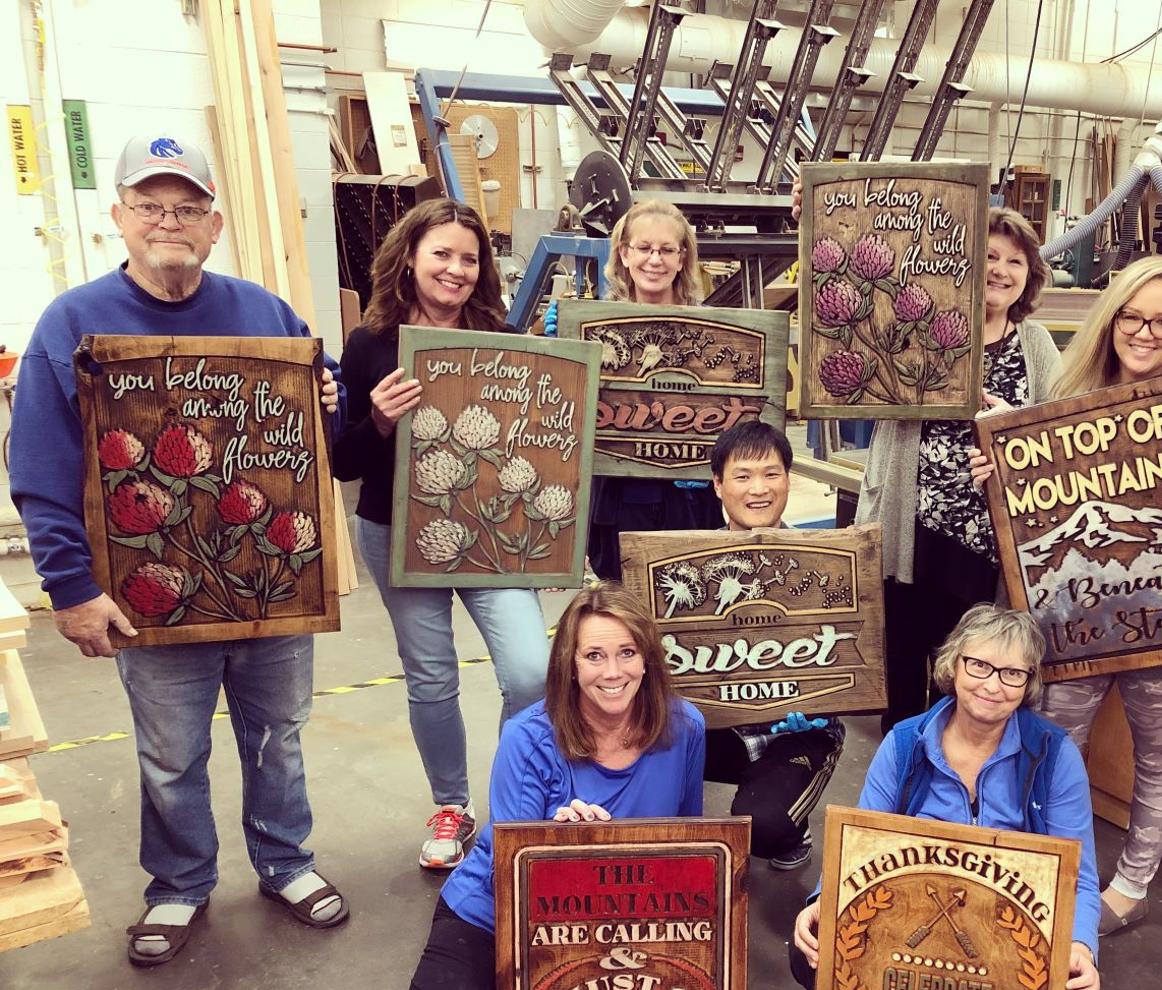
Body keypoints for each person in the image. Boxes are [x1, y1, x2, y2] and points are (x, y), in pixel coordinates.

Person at [130, 584, 706, 990]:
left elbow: (689, 852)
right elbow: (511, 875)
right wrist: (557, 849)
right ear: (569, 664)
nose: (612, 671)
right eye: (593, 655)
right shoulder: (531, 735)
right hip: (492, 920)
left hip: (610, 934)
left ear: (649, 659)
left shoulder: (683, 728)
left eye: (627, 653)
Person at [11, 134, 347, 966]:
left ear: (215, 224)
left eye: (188, 207)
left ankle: (286, 862)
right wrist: (70, 587)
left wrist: (329, 393)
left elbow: (313, 418)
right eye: (152, 205)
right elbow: (40, 468)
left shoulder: (264, 312)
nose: (171, 221)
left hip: (270, 583)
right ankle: (179, 884)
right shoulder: (73, 323)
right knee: (170, 752)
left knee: (278, 735)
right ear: (119, 218)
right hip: (146, 592)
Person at [974, 256, 1162, 936]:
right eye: (1132, 315)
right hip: (1068, 626)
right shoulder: (1067, 396)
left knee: (1159, 756)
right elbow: (1031, 521)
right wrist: (1000, 472)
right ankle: (1045, 872)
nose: (1145, 331)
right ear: (1110, 320)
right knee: (1047, 748)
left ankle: (1129, 886)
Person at [789, 604, 1101, 990]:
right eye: (978, 666)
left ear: (1029, 685)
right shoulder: (906, 742)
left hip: (1010, 932)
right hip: (907, 927)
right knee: (810, 956)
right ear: (953, 666)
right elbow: (859, 841)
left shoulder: (1054, 754)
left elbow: (1082, 875)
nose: (992, 685)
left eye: (1011, 674)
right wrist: (821, 901)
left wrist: (1080, 948)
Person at [331, 199, 549, 870]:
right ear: (409, 256)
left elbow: (537, 443)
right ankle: (452, 806)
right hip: (398, 533)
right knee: (431, 678)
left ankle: (513, 803)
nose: (455, 269)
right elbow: (343, 461)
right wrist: (380, 421)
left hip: (490, 532)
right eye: (442, 254)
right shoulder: (370, 343)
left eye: (468, 257)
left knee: (530, 672)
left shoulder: (502, 336)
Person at [857, 207, 1062, 731]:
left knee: (967, 672)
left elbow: (1055, 442)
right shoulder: (919, 325)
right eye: (989, 256)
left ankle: (950, 784)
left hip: (983, 542)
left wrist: (1010, 431)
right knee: (901, 670)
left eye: (1016, 261)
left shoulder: (1035, 345)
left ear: (1030, 276)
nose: (1001, 269)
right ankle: (900, 787)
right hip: (911, 525)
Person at [547, 199, 724, 579]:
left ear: (682, 259)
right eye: (644, 248)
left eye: (666, 250)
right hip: (616, 499)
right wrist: (558, 351)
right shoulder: (593, 327)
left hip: (689, 500)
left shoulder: (716, 330)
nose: (654, 260)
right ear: (625, 254)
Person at [704, 421, 844, 870]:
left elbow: (855, 663)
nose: (758, 489)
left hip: (797, 730)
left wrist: (826, 704)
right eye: (743, 476)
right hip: (716, 725)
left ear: (789, 478)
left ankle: (789, 824)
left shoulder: (833, 563)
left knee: (764, 829)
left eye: (772, 473)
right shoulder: (683, 563)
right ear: (718, 486)